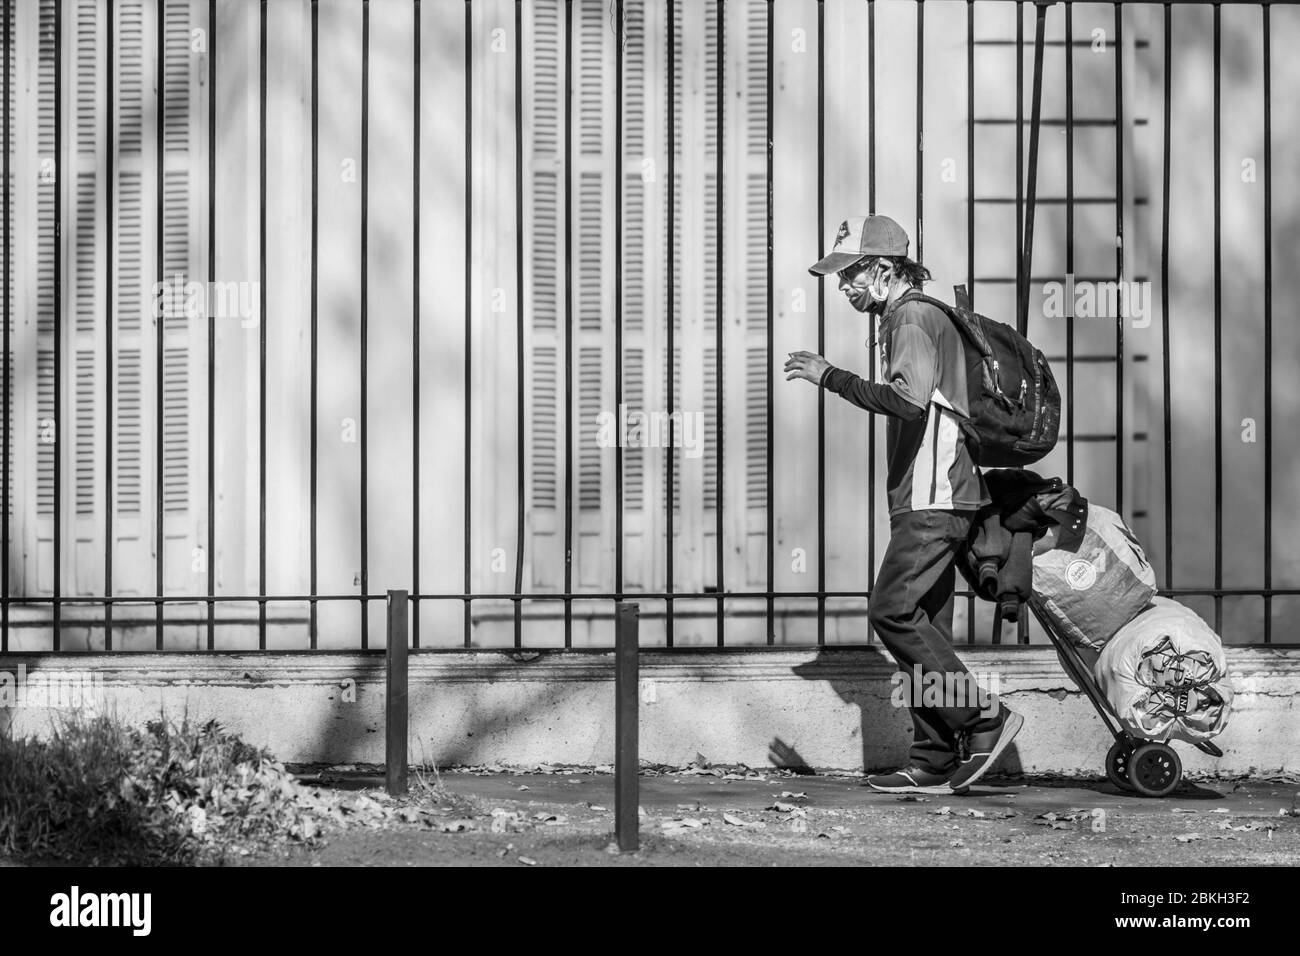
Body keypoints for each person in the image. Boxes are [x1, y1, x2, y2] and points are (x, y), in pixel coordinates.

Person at [784, 214, 1022, 794]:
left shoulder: (911, 317)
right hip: (939, 495)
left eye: (850, 274)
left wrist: (829, 377)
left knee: (890, 611)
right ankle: (934, 756)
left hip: (932, 497)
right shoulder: (913, 316)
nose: (843, 287)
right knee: (925, 627)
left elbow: (909, 402)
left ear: (884, 270)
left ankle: (984, 716)